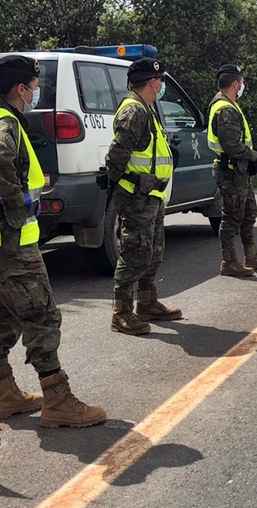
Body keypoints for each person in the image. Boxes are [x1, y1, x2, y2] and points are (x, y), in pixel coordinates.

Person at [0, 55, 105, 428]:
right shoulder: (5, 122)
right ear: (22, 88)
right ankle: (57, 399)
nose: (37, 91)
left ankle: (2, 393)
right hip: (8, 238)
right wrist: (16, 198)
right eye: (35, 85)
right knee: (40, 315)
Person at [98, 57, 182, 336]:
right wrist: (122, 185)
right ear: (152, 82)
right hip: (137, 196)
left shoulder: (146, 109)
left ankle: (146, 303)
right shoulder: (133, 110)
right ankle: (121, 313)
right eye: (159, 80)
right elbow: (117, 155)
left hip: (152, 195)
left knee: (152, 252)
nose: (161, 84)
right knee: (134, 253)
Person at [207, 64, 257, 278]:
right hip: (231, 172)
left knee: (248, 213)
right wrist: (253, 156)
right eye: (241, 83)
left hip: (240, 171)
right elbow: (232, 145)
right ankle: (229, 261)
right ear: (235, 83)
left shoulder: (229, 105)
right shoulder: (225, 109)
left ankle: (251, 255)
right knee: (231, 218)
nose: (242, 86)